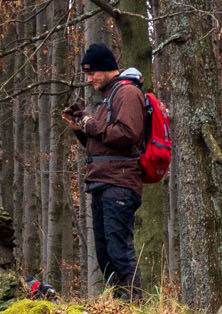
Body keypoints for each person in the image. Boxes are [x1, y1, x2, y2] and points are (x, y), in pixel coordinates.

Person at [61, 44, 147, 300]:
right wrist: (79, 127)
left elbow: (127, 134)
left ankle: (134, 305)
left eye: (92, 73)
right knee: (105, 253)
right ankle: (119, 305)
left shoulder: (128, 94)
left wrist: (89, 123)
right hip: (102, 183)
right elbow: (99, 143)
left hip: (120, 182)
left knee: (119, 250)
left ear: (108, 69)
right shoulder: (107, 99)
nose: (89, 79)